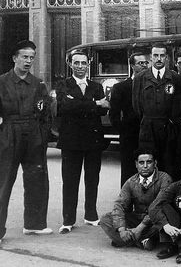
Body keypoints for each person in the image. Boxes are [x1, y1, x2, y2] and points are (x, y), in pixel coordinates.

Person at [0, 40, 52, 242]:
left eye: (32, 57)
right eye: (24, 57)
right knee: (3, 182)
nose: (29, 61)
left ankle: (34, 224)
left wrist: (42, 136)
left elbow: (46, 113)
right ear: (15, 58)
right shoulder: (2, 82)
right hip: (9, 134)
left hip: (33, 135)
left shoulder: (38, 84)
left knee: (37, 179)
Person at [57, 49, 110, 234]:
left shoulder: (96, 86)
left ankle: (91, 215)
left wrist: (79, 105)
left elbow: (105, 110)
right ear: (70, 64)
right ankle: (68, 220)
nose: (80, 66)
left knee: (92, 179)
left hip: (92, 140)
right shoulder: (63, 84)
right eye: (76, 63)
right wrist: (94, 104)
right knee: (70, 181)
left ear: (89, 65)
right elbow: (65, 107)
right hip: (71, 141)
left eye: (84, 63)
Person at [99, 148, 172, 250]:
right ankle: (142, 240)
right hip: (137, 218)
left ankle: (129, 240)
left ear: (155, 163)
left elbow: (158, 205)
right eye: (141, 163)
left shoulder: (164, 178)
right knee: (105, 219)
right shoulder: (131, 182)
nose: (145, 166)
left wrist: (139, 228)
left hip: (155, 219)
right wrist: (122, 230)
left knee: (165, 222)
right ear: (136, 164)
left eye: (149, 162)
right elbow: (119, 205)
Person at [132, 43, 181, 178]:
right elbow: (136, 106)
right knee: (148, 165)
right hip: (148, 128)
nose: (159, 59)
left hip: (168, 128)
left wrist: (171, 122)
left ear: (166, 57)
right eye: (155, 55)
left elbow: (178, 104)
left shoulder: (175, 77)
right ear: (151, 57)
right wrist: (148, 120)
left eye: (162, 55)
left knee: (168, 165)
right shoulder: (140, 78)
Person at [109, 51, 149, 187]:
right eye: (140, 63)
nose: (144, 66)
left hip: (149, 135)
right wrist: (123, 131)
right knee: (128, 171)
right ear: (132, 65)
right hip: (129, 137)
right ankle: (127, 203)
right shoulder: (121, 87)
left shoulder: (152, 86)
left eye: (146, 63)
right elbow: (113, 114)